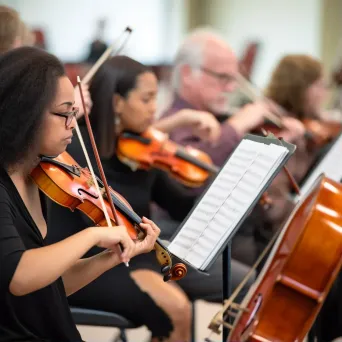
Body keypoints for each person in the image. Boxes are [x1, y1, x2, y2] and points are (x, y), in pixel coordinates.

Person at [47, 55, 256, 342]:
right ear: (118, 103)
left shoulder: (145, 153)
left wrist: (223, 188)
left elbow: (181, 206)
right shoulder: (77, 147)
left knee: (241, 282)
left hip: (143, 254)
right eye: (146, 99)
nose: (154, 110)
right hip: (95, 262)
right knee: (176, 308)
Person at [0, 46, 160, 341]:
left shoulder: (38, 173)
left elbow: (48, 287)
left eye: (75, 113)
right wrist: (93, 236)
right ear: (24, 113)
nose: (73, 124)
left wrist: (111, 256)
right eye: (64, 113)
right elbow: (19, 277)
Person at [264, 54, 342, 342]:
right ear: (301, 88)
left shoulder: (315, 126)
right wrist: (291, 148)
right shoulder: (273, 128)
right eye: (319, 85)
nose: (325, 93)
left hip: (307, 227)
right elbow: (274, 207)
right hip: (273, 236)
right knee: (331, 272)